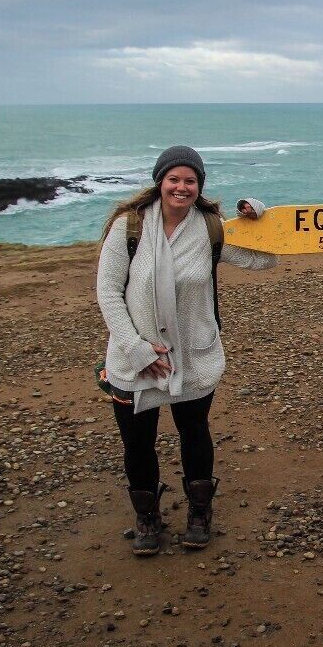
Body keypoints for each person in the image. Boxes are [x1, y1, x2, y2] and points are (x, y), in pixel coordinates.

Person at [96, 145, 275, 555]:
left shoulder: (210, 229)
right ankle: (147, 517)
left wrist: (259, 219)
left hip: (194, 357)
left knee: (194, 433)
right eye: (174, 179)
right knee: (137, 443)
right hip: (133, 360)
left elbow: (265, 261)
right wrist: (138, 349)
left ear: (199, 186)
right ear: (160, 181)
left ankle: (199, 511)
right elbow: (107, 293)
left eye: (190, 180)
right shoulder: (130, 227)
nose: (181, 187)